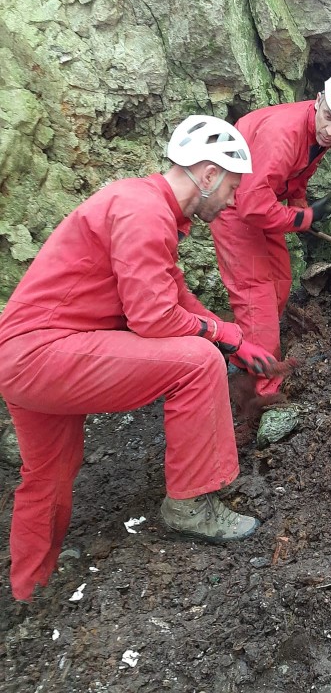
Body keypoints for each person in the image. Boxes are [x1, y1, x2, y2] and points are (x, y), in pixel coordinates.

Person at [0, 115, 278, 603]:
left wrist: (234, 338)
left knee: (49, 471)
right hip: (47, 352)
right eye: (232, 186)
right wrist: (216, 338)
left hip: (21, 358)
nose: (233, 199)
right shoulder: (143, 211)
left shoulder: (143, 205)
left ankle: (30, 586)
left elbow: (174, 293)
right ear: (209, 175)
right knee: (195, 362)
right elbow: (153, 315)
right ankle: (190, 505)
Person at [210, 65, 331, 397]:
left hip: (261, 202)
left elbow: (295, 176)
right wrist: (302, 219)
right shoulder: (284, 135)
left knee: (280, 280)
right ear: (318, 99)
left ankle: (244, 356)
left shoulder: (320, 133)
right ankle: (265, 390)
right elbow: (251, 205)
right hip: (234, 205)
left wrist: (301, 208)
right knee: (256, 292)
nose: (330, 130)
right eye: (328, 116)